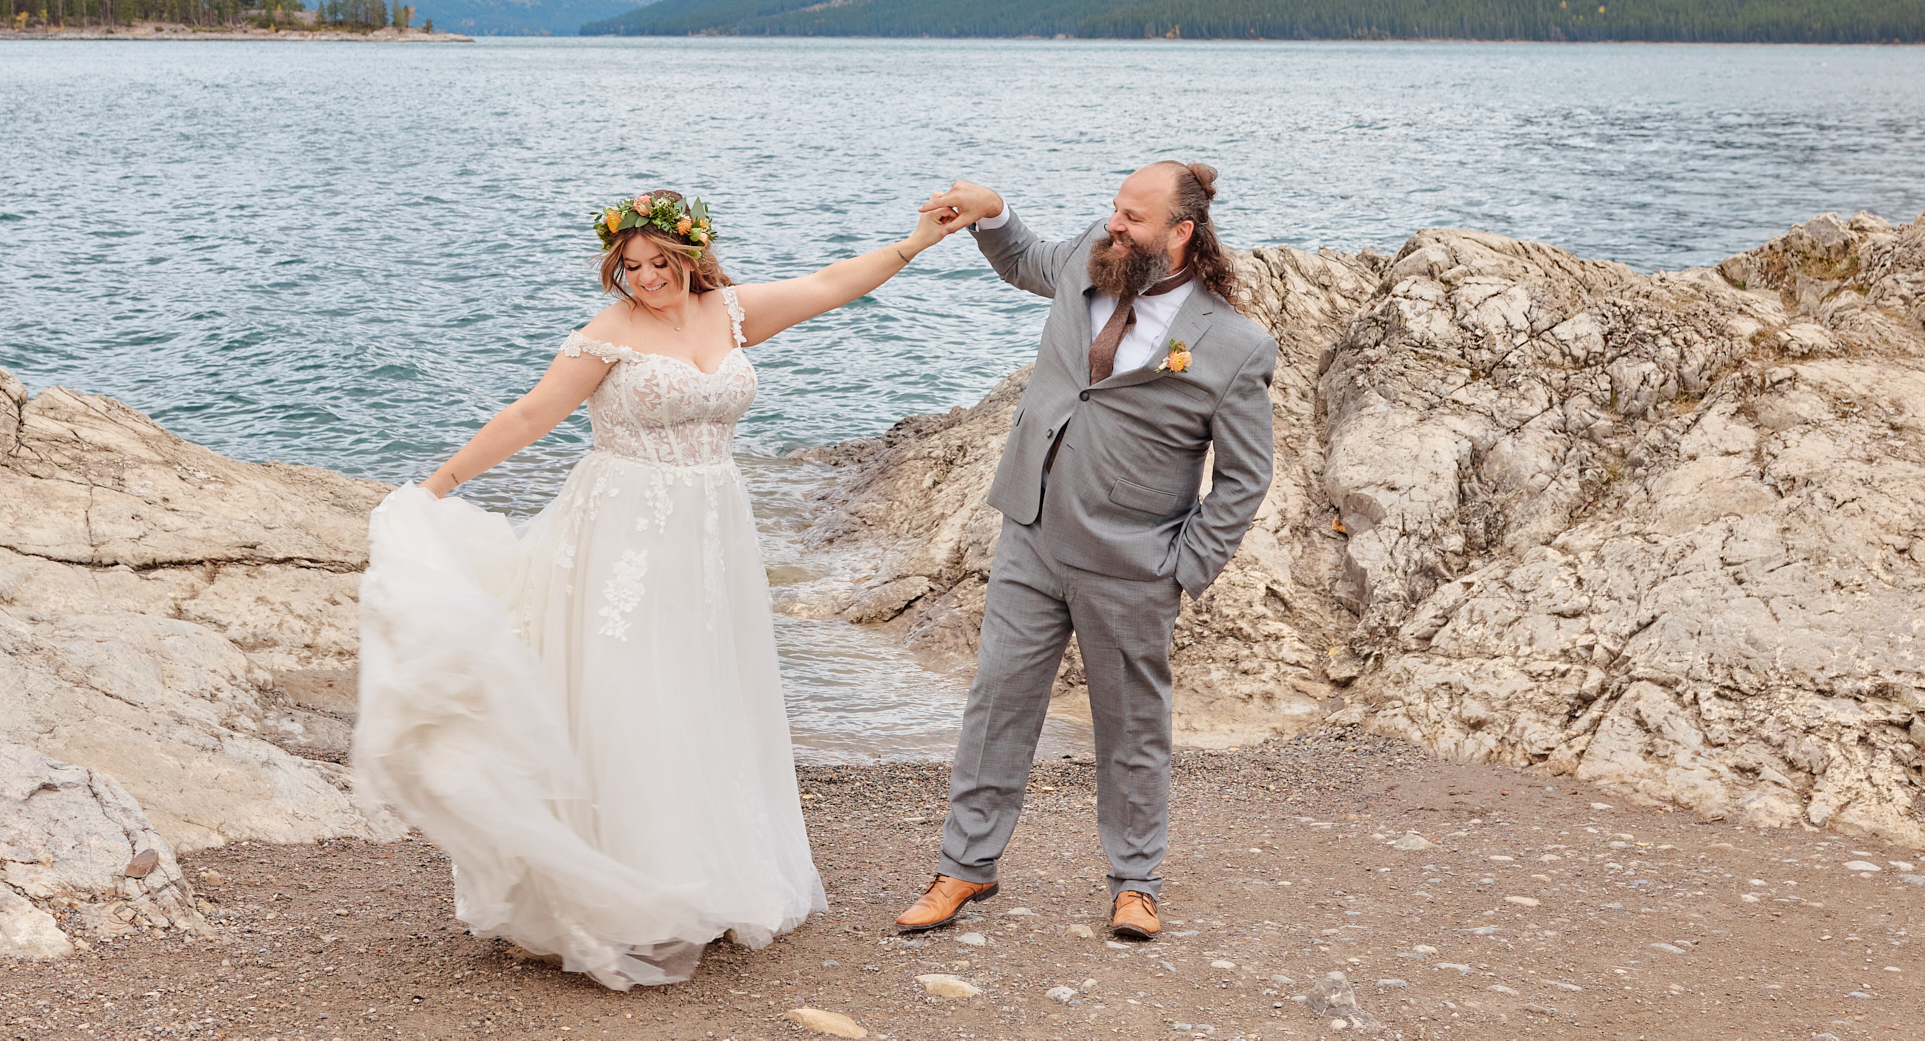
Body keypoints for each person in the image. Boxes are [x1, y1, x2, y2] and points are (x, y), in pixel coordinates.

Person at [352, 189, 963, 990]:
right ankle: (615, 890)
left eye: (659, 264)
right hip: (624, 527)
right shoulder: (608, 336)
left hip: (714, 529)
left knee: (702, 689)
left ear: (691, 256)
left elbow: (834, 284)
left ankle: (706, 874)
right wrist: (435, 487)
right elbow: (533, 413)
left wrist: (916, 241)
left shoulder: (733, 313)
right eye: (630, 267)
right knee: (628, 690)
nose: (644, 279)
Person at [899, 163, 1275, 942]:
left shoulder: (1235, 345)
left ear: (1181, 233)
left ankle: (1136, 884)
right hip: (1031, 537)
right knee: (997, 703)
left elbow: (1244, 479)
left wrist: (1182, 564)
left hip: (1134, 565)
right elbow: (1021, 259)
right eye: (1114, 209)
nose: (1114, 225)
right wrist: (991, 211)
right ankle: (965, 866)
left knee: (1132, 729)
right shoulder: (1087, 259)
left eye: (1134, 218)